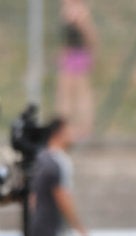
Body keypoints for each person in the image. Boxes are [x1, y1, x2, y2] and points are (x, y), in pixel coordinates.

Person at [55, 0, 97, 141]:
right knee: (64, 93)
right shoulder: (66, 10)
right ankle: (64, 127)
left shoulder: (81, 11)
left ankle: (85, 127)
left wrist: (81, 25)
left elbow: (91, 37)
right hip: (69, 54)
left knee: (81, 94)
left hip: (79, 55)